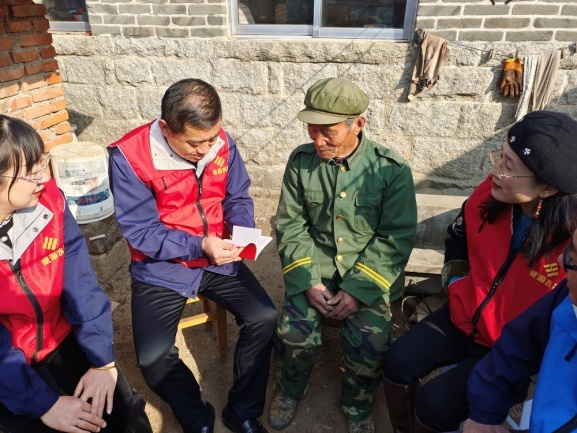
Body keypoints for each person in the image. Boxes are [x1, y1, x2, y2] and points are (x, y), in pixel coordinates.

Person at [381, 110, 577, 433]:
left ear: (547, 189)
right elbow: (457, 239)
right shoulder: (490, 194)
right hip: (464, 314)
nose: (496, 170)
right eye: (500, 156)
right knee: (396, 362)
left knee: (434, 405)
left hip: (507, 346)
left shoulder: (569, 245)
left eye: (509, 166)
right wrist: (457, 284)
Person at [108, 78, 277, 433]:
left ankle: (242, 412)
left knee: (263, 317)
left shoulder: (222, 143)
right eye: (195, 143)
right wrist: (200, 245)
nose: (206, 149)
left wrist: (241, 233)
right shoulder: (130, 157)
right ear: (165, 128)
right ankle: (197, 417)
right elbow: (141, 232)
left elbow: (237, 197)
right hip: (161, 266)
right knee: (153, 358)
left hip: (218, 257)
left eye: (212, 138)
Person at [269, 77, 417, 433]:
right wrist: (308, 282)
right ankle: (289, 390)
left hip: (367, 274)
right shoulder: (301, 162)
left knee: (371, 344)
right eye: (312, 128)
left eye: (328, 131)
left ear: (358, 124)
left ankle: (358, 407)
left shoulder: (390, 170)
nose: (317, 140)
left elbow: (395, 237)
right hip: (314, 269)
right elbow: (291, 224)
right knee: (292, 334)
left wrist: (357, 290)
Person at [0, 115, 152, 433]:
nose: (44, 179)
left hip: (64, 336)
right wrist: (44, 404)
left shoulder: (50, 203)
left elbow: (80, 281)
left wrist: (102, 359)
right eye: (31, 172)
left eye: (42, 165)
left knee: (126, 416)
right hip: (9, 366)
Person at [463, 228, 577, 433]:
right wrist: (484, 413)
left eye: (573, 258)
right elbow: (518, 343)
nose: (560, 260)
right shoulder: (566, 298)